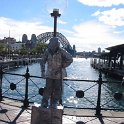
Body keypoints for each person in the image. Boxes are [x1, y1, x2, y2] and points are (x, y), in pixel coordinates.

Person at [40, 37, 73, 108]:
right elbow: (42, 61)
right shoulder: (47, 51)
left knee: (58, 89)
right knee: (47, 88)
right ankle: (44, 102)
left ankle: (55, 102)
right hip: (49, 74)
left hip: (58, 74)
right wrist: (42, 71)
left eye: (51, 43)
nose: (49, 44)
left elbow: (70, 59)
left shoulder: (62, 51)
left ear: (55, 44)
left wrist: (62, 66)